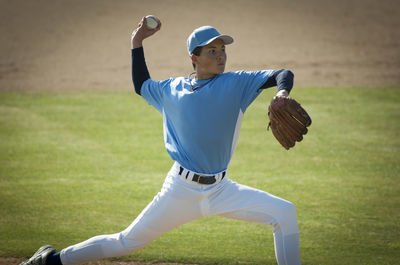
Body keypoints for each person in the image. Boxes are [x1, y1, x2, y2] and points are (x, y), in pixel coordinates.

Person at [20, 17, 301, 265]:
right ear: (194, 58)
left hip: (222, 190)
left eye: (223, 50)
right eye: (212, 51)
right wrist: (136, 42)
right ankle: (52, 260)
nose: (221, 56)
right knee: (126, 242)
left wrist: (281, 94)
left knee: (284, 213)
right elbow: (141, 84)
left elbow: (281, 74)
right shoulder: (171, 89)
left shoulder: (237, 84)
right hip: (180, 191)